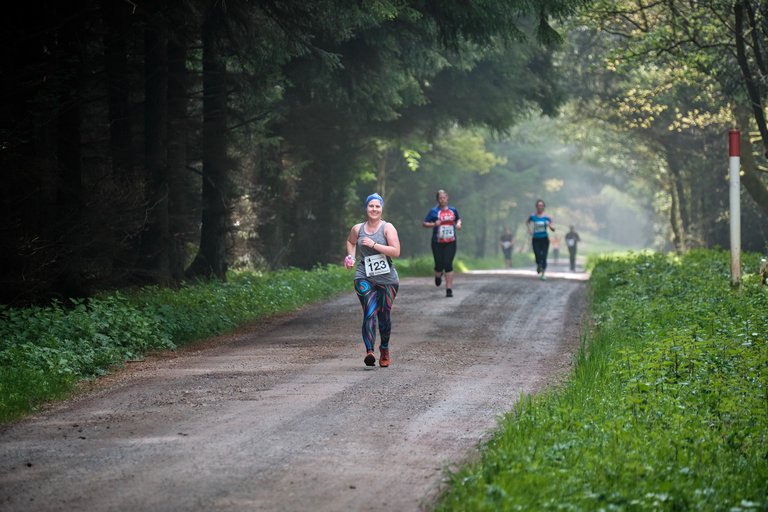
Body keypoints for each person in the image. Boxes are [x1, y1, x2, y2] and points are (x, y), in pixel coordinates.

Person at [344, 193, 401, 367]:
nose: (374, 209)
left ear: (381, 209)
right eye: (371, 206)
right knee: (369, 312)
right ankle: (369, 351)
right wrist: (351, 257)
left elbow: (396, 252)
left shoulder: (387, 228)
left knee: (384, 315)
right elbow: (350, 241)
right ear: (366, 208)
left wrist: (374, 245)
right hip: (364, 276)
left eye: (377, 206)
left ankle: (384, 349)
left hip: (387, 279)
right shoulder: (357, 229)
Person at [422, 189, 462, 297]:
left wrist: (458, 224)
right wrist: (434, 224)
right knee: (439, 264)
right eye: (440, 198)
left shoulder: (453, 210)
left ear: (447, 198)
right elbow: (424, 223)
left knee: (448, 264)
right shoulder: (434, 211)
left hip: (450, 241)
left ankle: (449, 290)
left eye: (444, 197)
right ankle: (438, 275)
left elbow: (458, 219)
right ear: (437, 199)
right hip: (437, 242)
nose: (442, 200)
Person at [525, 199, 555, 281]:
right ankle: (539, 265)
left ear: (544, 207)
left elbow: (553, 229)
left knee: (544, 256)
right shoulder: (533, 216)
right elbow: (527, 222)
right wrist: (529, 229)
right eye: (538, 205)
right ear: (536, 207)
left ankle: (543, 274)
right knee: (537, 256)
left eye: (541, 205)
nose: (540, 207)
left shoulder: (547, 217)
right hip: (536, 239)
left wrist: (549, 225)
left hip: (544, 239)